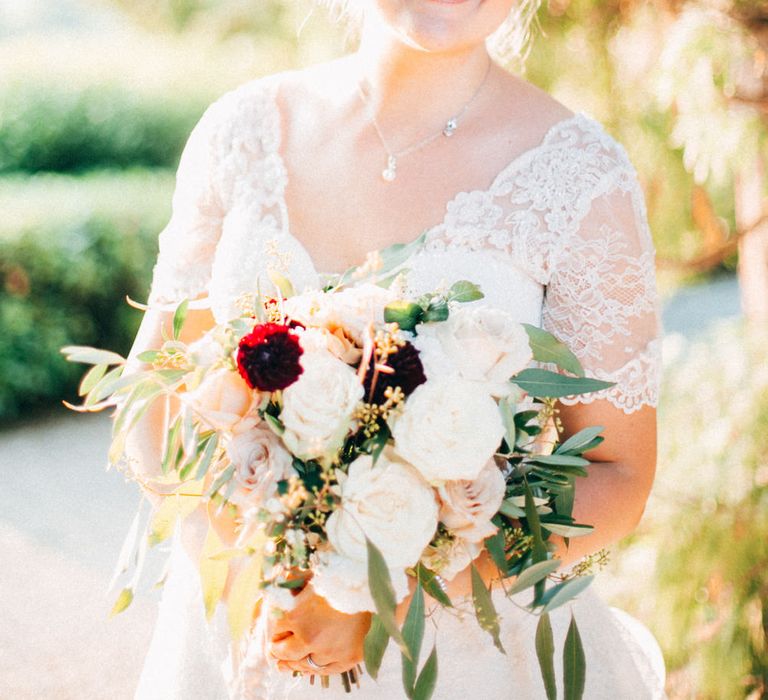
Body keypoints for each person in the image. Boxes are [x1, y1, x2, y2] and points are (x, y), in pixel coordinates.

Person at [127, 0, 665, 697]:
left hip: (465, 658)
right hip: (246, 627)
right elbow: (151, 394)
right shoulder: (244, 132)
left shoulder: (579, 178)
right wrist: (259, 572)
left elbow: (618, 471)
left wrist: (385, 595)